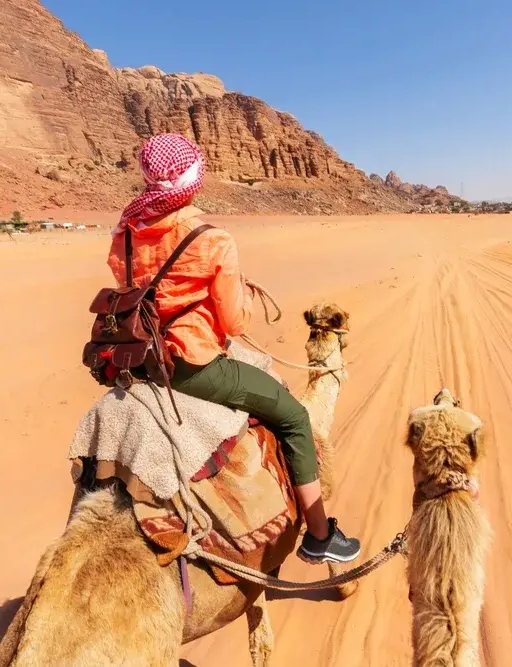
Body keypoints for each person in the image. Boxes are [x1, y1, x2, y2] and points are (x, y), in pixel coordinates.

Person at [107, 133, 361, 564]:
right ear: (193, 180)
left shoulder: (125, 234)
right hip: (193, 365)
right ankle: (320, 536)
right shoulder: (212, 238)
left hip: (143, 360)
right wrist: (238, 290)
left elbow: (137, 292)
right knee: (295, 418)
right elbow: (235, 323)